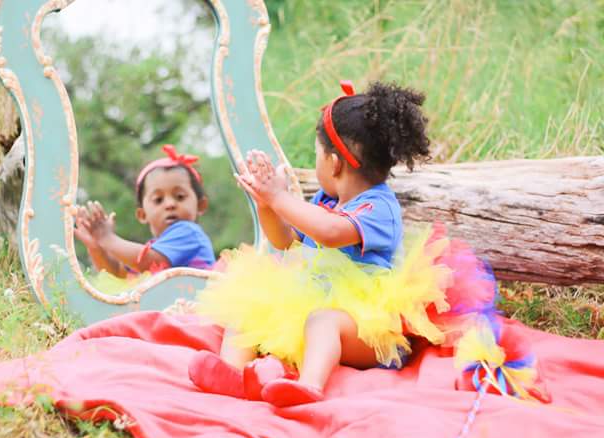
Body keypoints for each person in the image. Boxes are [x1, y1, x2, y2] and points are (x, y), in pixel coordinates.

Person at [188, 81, 497, 407]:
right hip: (309, 305)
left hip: (367, 330)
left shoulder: (379, 208)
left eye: (317, 154)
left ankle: (308, 386)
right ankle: (232, 374)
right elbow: (285, 241)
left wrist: (280, 196)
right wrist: (266, 204)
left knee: (324, 321)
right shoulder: (327, 200)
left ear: (334, 162)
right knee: (249, 304)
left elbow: (332, 233)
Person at [75, 145, 216, 277]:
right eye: (158, 200)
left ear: (201, 205)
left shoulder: (188, 232)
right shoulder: (154, 247)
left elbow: (151, 263)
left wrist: (107, 238)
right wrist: (96, 248)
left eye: (180, 197)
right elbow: (117, 272)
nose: (170, 204)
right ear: (142, 215)